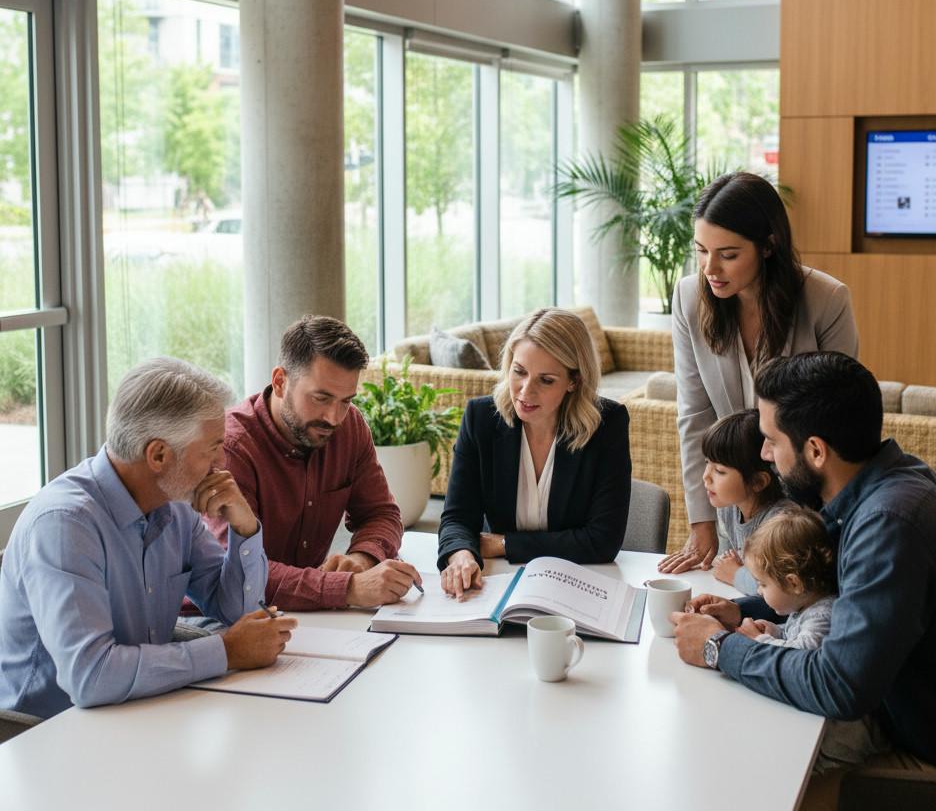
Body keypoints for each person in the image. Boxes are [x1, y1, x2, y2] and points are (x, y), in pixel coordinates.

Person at [671, 352, 936, 807]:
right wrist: (743, 610)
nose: (763, 455)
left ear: (815, 451)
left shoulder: (888, 523)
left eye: (771, 441)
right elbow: (834, 591)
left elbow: (837, 685)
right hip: (926, 716)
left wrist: (720, 647)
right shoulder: (889, 480)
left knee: (757, 786)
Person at [0, 357, 295, 719]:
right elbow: (90, 677)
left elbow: (238, 611)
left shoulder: (175, 506)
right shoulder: (65, 525)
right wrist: (226, 652)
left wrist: (245, 527)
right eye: (213, 447)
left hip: (137, 711)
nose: (222, 461)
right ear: (158, 455)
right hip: (47, 734)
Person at [659, 171, 858, 575]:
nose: (710, 268)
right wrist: (702, 522)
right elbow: (695, 413)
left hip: (810, 497)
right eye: (701, 250)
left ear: (768, 246)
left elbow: (838, 424)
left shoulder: (826, 300)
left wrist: (817, 522)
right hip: (739, 501)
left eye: (728, 254)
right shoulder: (689, 297)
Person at [208, 315, 420, 611]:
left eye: (345, 401)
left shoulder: (350, 427)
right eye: (321, 398)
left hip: (307, 618)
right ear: (280, 382)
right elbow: (238, 576)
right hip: (222, 619)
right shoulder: (230, 449)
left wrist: (362, 558)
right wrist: (348, 588)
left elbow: (381, 513)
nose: (334, 418)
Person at [437, 307, 631, 598]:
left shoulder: (607, 424)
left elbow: (602, 541)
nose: (526, 391)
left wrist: (505, 544)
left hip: (578, 586)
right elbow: (457, 518)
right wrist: (462, 555)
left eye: (546, 380)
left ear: (574, 381)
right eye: (519, 372)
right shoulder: (481, 418)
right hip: (500, 582)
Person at [738, 507, 888, 773]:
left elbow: (801, 658)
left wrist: (759, 640)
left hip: (840, 740)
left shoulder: (824, 614)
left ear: (794, 583)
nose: (759, 592)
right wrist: (774, 631)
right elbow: (794, 635)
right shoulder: (807, 606)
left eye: (762, 584)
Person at [699, 408, 794, 595]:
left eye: (719, 471)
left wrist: (736, 575)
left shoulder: (781, 522)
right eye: (707, 463)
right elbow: (725, 563)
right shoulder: (729, 509)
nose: (706, 477)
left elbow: (785, 590)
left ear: (758, 482)